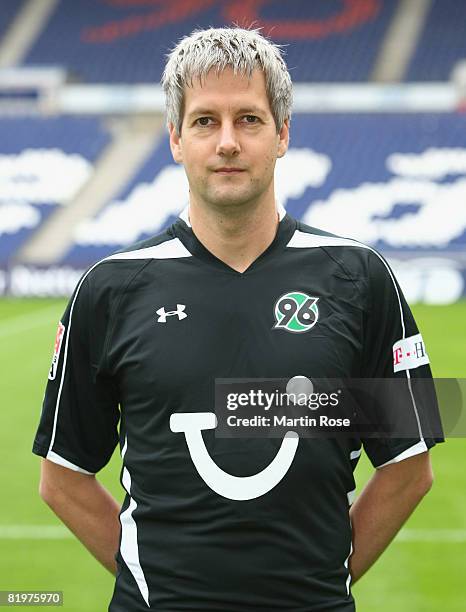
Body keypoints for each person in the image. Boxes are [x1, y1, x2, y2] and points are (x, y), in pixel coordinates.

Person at [33, 27, 443, 611]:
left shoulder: (363, 278)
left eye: (248, 119)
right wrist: (152, 590)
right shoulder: (108, 289)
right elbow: (63, 478)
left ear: (282, 135)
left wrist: (324, 584)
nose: (227, 142)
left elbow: (411, 467)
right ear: (175, 139)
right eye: (205, 121)